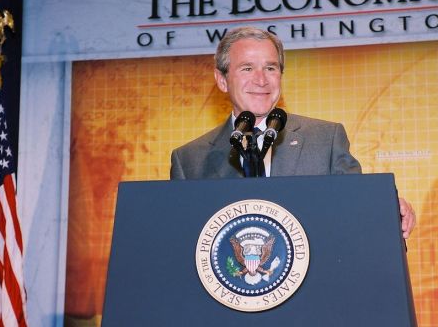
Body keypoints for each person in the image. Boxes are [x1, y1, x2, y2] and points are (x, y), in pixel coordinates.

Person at [170, 26, 415, 238]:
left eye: (270, 68)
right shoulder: (189, 160)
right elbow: (179, 236)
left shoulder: (325, 140)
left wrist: (386, 209)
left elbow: (356, 206)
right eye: (247, 68)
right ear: (222, 80)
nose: (261, 80)